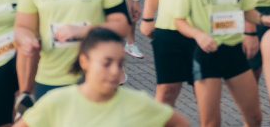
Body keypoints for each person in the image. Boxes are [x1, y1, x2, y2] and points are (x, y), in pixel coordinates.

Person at [15, 28, 186, 127]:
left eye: (120, 64)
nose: (114, 71)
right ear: (84, 61)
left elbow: (180, 124)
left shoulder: (139, 102)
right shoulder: (57, 102)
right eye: (106, 63)